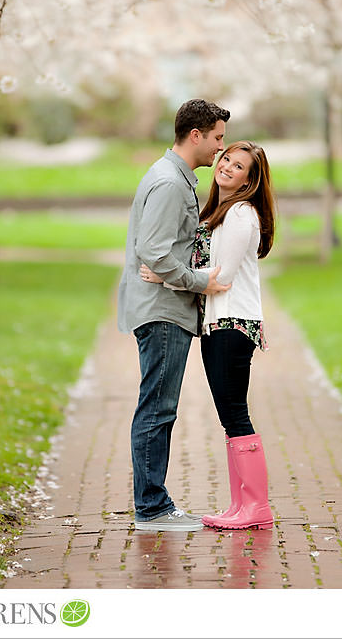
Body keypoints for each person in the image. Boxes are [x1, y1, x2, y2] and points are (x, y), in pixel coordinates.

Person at [141, 140, 276, 530]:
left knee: (235, 414)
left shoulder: (241, 215)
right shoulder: (221, 210)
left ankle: (255, 508)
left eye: (239, 167)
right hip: (219, 324)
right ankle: (241, 506)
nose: (228, 168)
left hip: (232, 324)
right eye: (227, 160)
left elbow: (222, 277)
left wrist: (167, 279)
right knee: (230, 415)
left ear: (251, 180)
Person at [116, 98, 232, 532]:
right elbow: (157, 252)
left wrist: (176, 270)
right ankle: (152, 508)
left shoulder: (176, 177)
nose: (220, 148)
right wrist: (201, 282)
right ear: (196, 134)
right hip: (163, 312)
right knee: (158, 409)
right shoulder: (169, 182)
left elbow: (163, 251)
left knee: (159, 407)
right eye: (217, 138)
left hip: (166, 307)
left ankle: (153, 504)